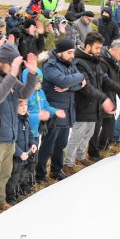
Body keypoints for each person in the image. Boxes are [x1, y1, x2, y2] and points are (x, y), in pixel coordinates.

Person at [0, 44, 37, 220]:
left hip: (10, 134)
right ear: (5, 62)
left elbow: (24, 93)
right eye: (13, 66)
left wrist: (32, 74)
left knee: (4, 172)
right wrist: (11, 75)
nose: (15, 70)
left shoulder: (6, 76)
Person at [64, 33, 116, 173]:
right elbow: (85, 86)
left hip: (95, 105)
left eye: (100, 48)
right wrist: (103, 98)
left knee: (88, 133)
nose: (99, 51)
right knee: (77, 134)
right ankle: (68, 163)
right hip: (83, 105)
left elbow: (102, 80)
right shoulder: (79, 62)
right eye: (97, 48)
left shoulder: (95, 60)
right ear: (88, 46)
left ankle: (81, 156)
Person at [37, 39, 86, 181]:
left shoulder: (69, 63)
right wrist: (76, 79)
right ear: (60, 52)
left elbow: (81, 82)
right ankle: (40, 174)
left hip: (67, 110)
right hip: (54, 111)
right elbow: (64, 81)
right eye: (69, 52)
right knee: (48, 145)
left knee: (61, 144)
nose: (72, 55)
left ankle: (56, 170)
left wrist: (71, 86)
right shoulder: (50, 65)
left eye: (73, 52)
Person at [87, 39, 120, 159]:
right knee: (97, 127)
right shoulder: (102, 61)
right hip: (101, 99)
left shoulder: (114, 60)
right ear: (114, 50)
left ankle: (103, 148)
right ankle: (93, 153)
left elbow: (116, 80)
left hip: (110, 97)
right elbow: (103, 83)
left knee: (109, 124)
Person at [5, 99, 37, 205]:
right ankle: (11, 197)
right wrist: (19, 153)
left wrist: (33, 144)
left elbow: (30, 135)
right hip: (16, 156)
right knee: (14, 177)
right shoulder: (13, 121)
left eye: (26, 105)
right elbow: (11, 140)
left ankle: (19, 191)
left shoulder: (25, 119)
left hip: (25, 155)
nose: (24, 108)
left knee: (22, 175)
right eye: (21, 105)